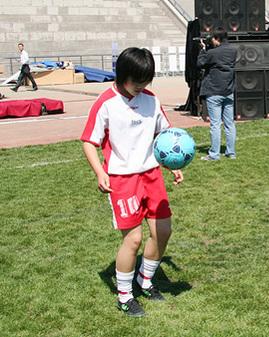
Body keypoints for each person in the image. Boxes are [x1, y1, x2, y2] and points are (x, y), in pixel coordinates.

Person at [81, 47, 184, 317]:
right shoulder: (106, 102)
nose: (141, 87)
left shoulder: (151, 99)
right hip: (122, 179)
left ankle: (145, 281)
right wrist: (99, 173)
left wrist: (173, 165)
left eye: (146, 81)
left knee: (163, 230)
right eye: (137, 81)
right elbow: (89, 142)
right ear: (123, 75)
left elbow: (166, 136)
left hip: (152, 175)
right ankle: (125, 296)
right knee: (133, 240)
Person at [197, 27, 237, 161]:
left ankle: (214, 154)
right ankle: (231, 152)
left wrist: (203, 49)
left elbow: (200, 63)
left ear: (217, 39)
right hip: (229, 90)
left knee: (215, 124)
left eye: (213, 39)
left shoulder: (212, 53)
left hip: (214, 91)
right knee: (229, 124)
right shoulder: (233, 51)